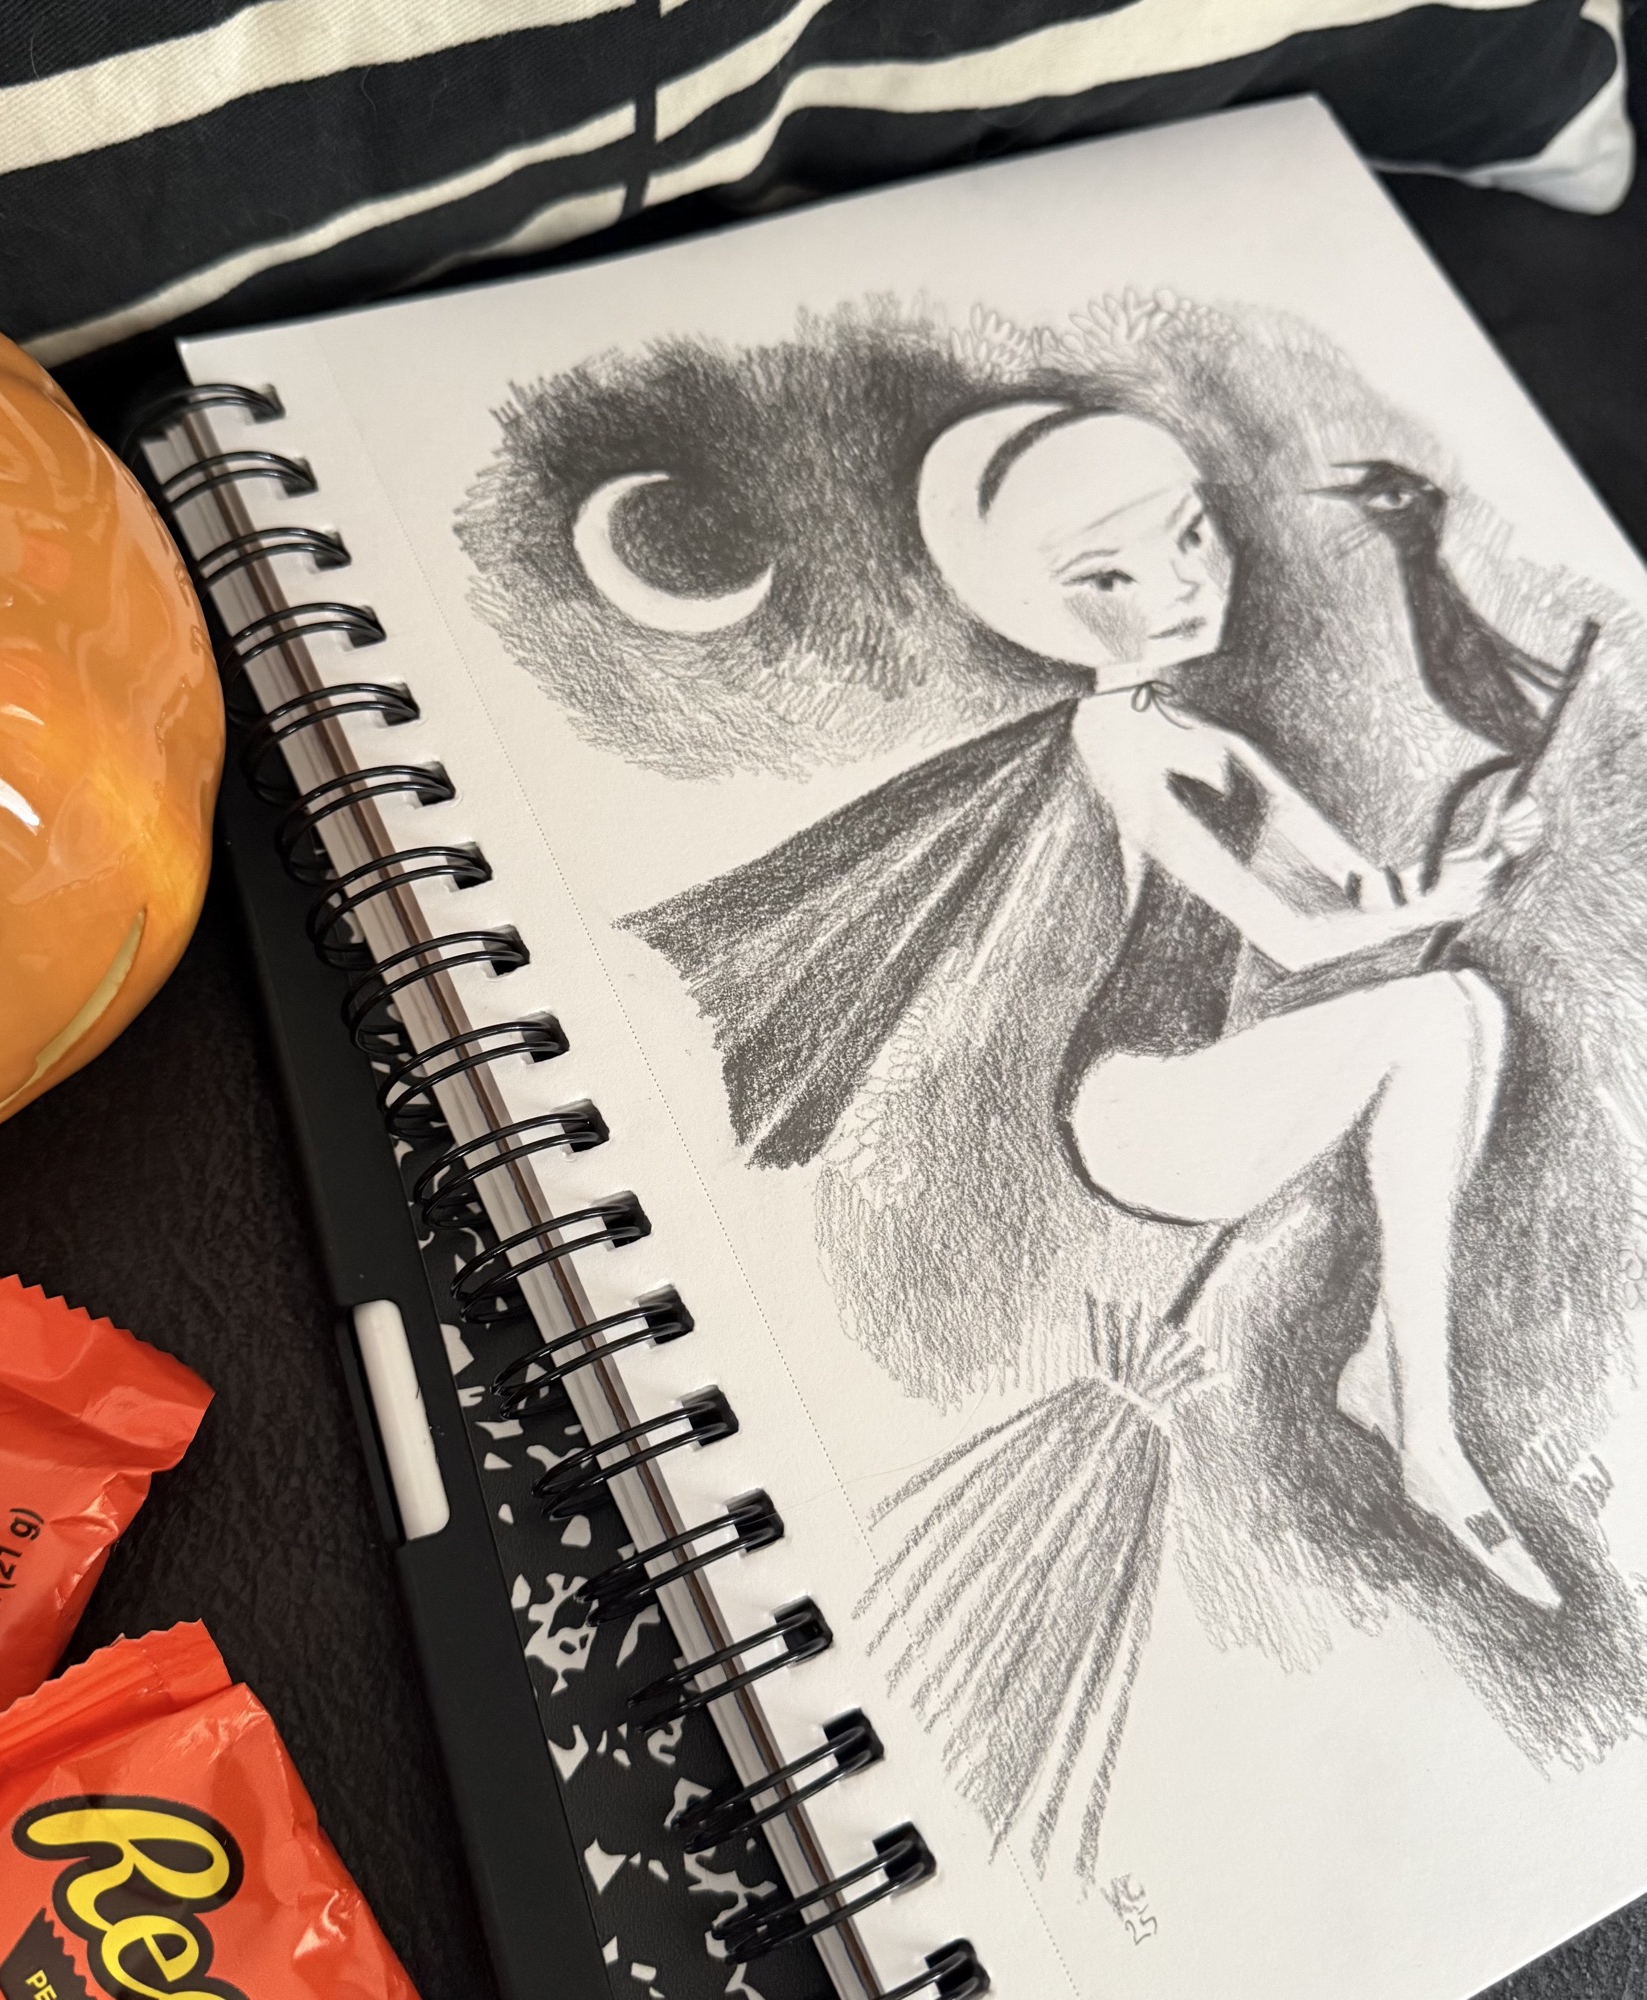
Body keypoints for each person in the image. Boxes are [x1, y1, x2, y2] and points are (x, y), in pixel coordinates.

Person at [635, 401, 1558, 1610]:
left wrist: (1472, 864)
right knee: (1432, 1014)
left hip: (1193, 1085)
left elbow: (1355, 891)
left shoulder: (1204, 735)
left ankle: (1393, 1367)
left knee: (1465, 1007)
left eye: (1189, 534)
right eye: (1107, 575)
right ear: (1037, 609)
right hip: (1134, 1104)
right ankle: (1423, 1433)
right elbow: (1286, 933)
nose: (1178, 584)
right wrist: (1435, 902)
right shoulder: (1111, 737)